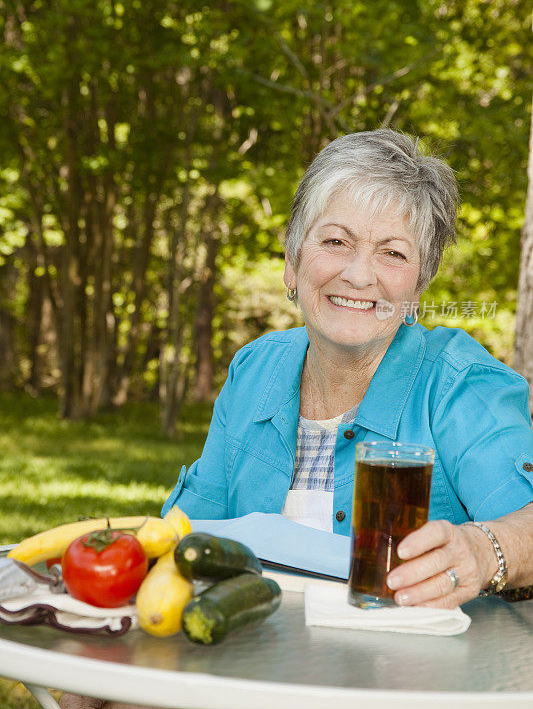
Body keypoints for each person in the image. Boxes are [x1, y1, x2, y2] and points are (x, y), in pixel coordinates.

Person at [60, 129, 533, 709]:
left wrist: (488, 550)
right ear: (292, 261)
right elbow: (184, 536)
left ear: (418, 286)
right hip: (237, 679)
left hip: (408, 688)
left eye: (393, 252)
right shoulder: (255, 369)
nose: (361, 274)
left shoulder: (458, 383)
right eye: (336, 241)